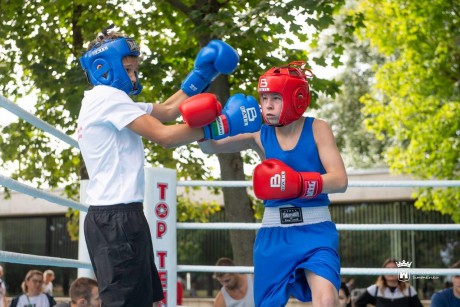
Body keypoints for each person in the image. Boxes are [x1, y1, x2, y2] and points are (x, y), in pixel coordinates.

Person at [78, 24, 260, 307]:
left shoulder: (104, 100)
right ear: (105, 67)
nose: (133, 76)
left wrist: (203, 73)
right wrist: (224, 125)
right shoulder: (107, 98)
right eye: (128, 69)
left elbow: (166, 111)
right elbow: (164, 136)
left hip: (117, 218)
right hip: (117, 220)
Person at [199, 61, 348, 306]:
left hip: (315, 229)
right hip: (274, 234)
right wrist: (205, 123)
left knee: (327, 299)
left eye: (275, 98)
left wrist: (298, 183)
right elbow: (209, 147)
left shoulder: (318, 128)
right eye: (264, 97)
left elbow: (339, 180)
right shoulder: (259, 133)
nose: (267, 105)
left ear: (296, 98)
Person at [355, 258, 423, 307]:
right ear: (383, 272)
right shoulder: (375, 289)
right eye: (388, 269)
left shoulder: (409, 290)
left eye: (394, 269)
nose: (391, 272)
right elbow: (358, 303)